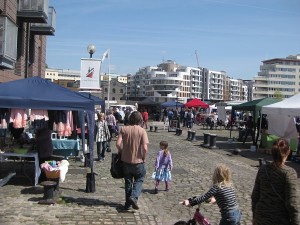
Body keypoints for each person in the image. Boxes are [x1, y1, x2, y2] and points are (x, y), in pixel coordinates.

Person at [251, 138, 299, 225]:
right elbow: (292, 203)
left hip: (260, 217)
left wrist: (254, 216)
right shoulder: (289, 173)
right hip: (279, 219)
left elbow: (255, 196)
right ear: (288, 151)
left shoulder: (263, 169)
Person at [116, 111, 149, 210]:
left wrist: (122, 151)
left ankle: (127, 204)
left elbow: (117, 144)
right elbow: (145, 148)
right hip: (138, 161)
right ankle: (134, 197)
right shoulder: (142, 131)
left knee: (128, 182)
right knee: (139, 179)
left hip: (126, 161)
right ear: (140, 120)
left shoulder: (124, 129)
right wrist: (144, 158)